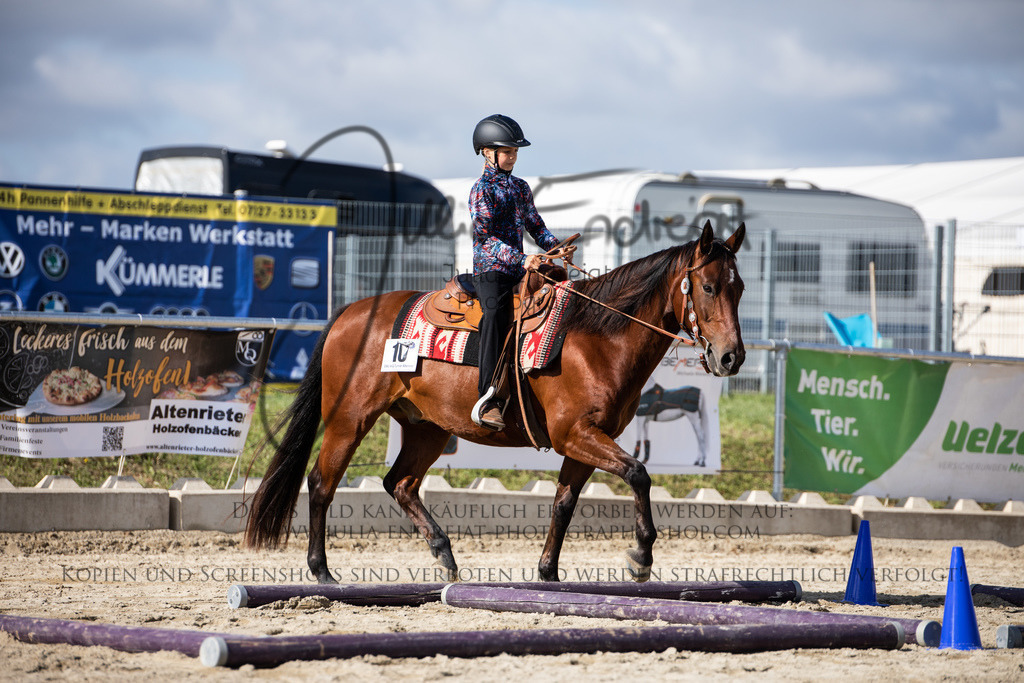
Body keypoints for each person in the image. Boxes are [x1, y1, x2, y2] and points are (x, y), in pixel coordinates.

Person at [469, 114, 560, 430]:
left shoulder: (520, 187)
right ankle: (488, 399)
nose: (512, 157)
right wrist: (523, 260)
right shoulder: (481, 190)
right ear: (487, 152)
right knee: (494, 316)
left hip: (521, 267)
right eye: (507, 151)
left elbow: (536, 225)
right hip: (491, 271)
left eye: (515, 152)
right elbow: (486, 238)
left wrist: (555, 247)